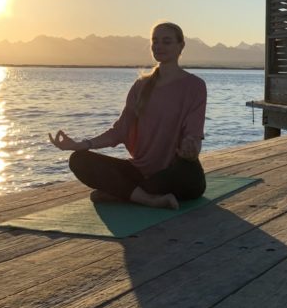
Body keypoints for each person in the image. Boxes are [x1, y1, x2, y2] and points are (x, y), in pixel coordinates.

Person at [49, 21, 206, 210]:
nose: (159, 46)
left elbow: (194, 133)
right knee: (78, 160)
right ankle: (148, 199)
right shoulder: (141, 86)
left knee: (191, 183)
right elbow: (119, 131)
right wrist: (81, 145)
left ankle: (123, 192)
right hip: (139, 171)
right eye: (155, 41)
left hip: (174, 171)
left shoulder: (195, 86)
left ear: (181, 46)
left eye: (166, 41)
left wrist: (191, 148)